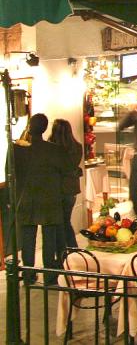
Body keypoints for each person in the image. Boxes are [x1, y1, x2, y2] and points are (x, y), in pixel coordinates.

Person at [13, 113, 76, 284]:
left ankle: (28, 273)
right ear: (45, 128)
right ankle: (49, 274)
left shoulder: (17, 150)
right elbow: (67, 169)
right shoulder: (54, 150)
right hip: (49, 198)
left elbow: (10, 172)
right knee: (49, 236)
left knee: (27, 237)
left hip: (26, 197)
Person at [48, 119, 83, 251]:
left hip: (55, 189)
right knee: (66, 221)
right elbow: (71, 168)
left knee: (58, 223)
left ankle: (64, 251)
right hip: (70, 190)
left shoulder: (51, 149)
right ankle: (73, 249)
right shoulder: (77, 147)